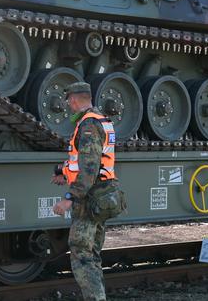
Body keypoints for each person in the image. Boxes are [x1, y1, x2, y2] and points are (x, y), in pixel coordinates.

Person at [51, 82, 118, 301]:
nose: (69, 107)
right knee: (92, 255)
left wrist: (70, 198)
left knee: (82, 255)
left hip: (89, 199)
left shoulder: (88, 125)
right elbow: (88, 161)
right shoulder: (102, 121)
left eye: (69, 102)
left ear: (73, 100)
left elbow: (89, 168)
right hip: (103, 196)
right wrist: (64, 170)